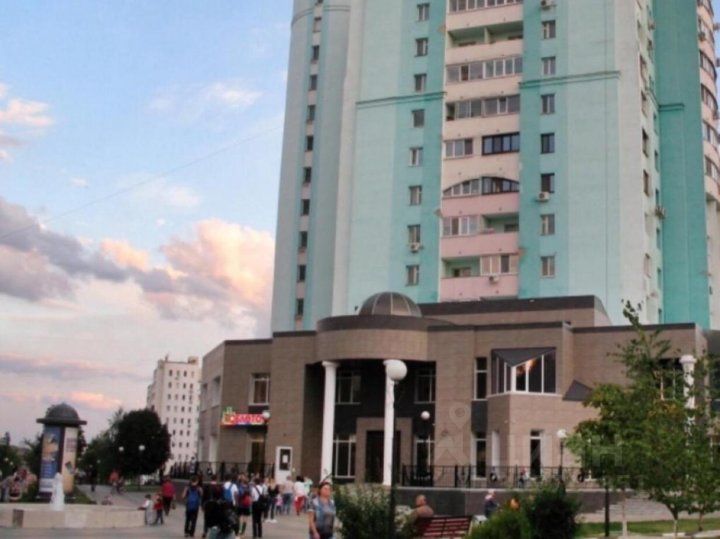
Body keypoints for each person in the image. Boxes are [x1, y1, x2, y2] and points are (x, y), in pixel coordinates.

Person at [201, 474, 222, 539]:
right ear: (216, 479)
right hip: (215, 505)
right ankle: (214, 532)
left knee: (206, 518)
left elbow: (203, 497)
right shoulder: (218, 487)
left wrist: (202, 505)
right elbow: (220, 497)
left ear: (211, 479)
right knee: (215, 519)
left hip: (208, 504)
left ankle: (205, 532)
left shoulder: (207, 486)